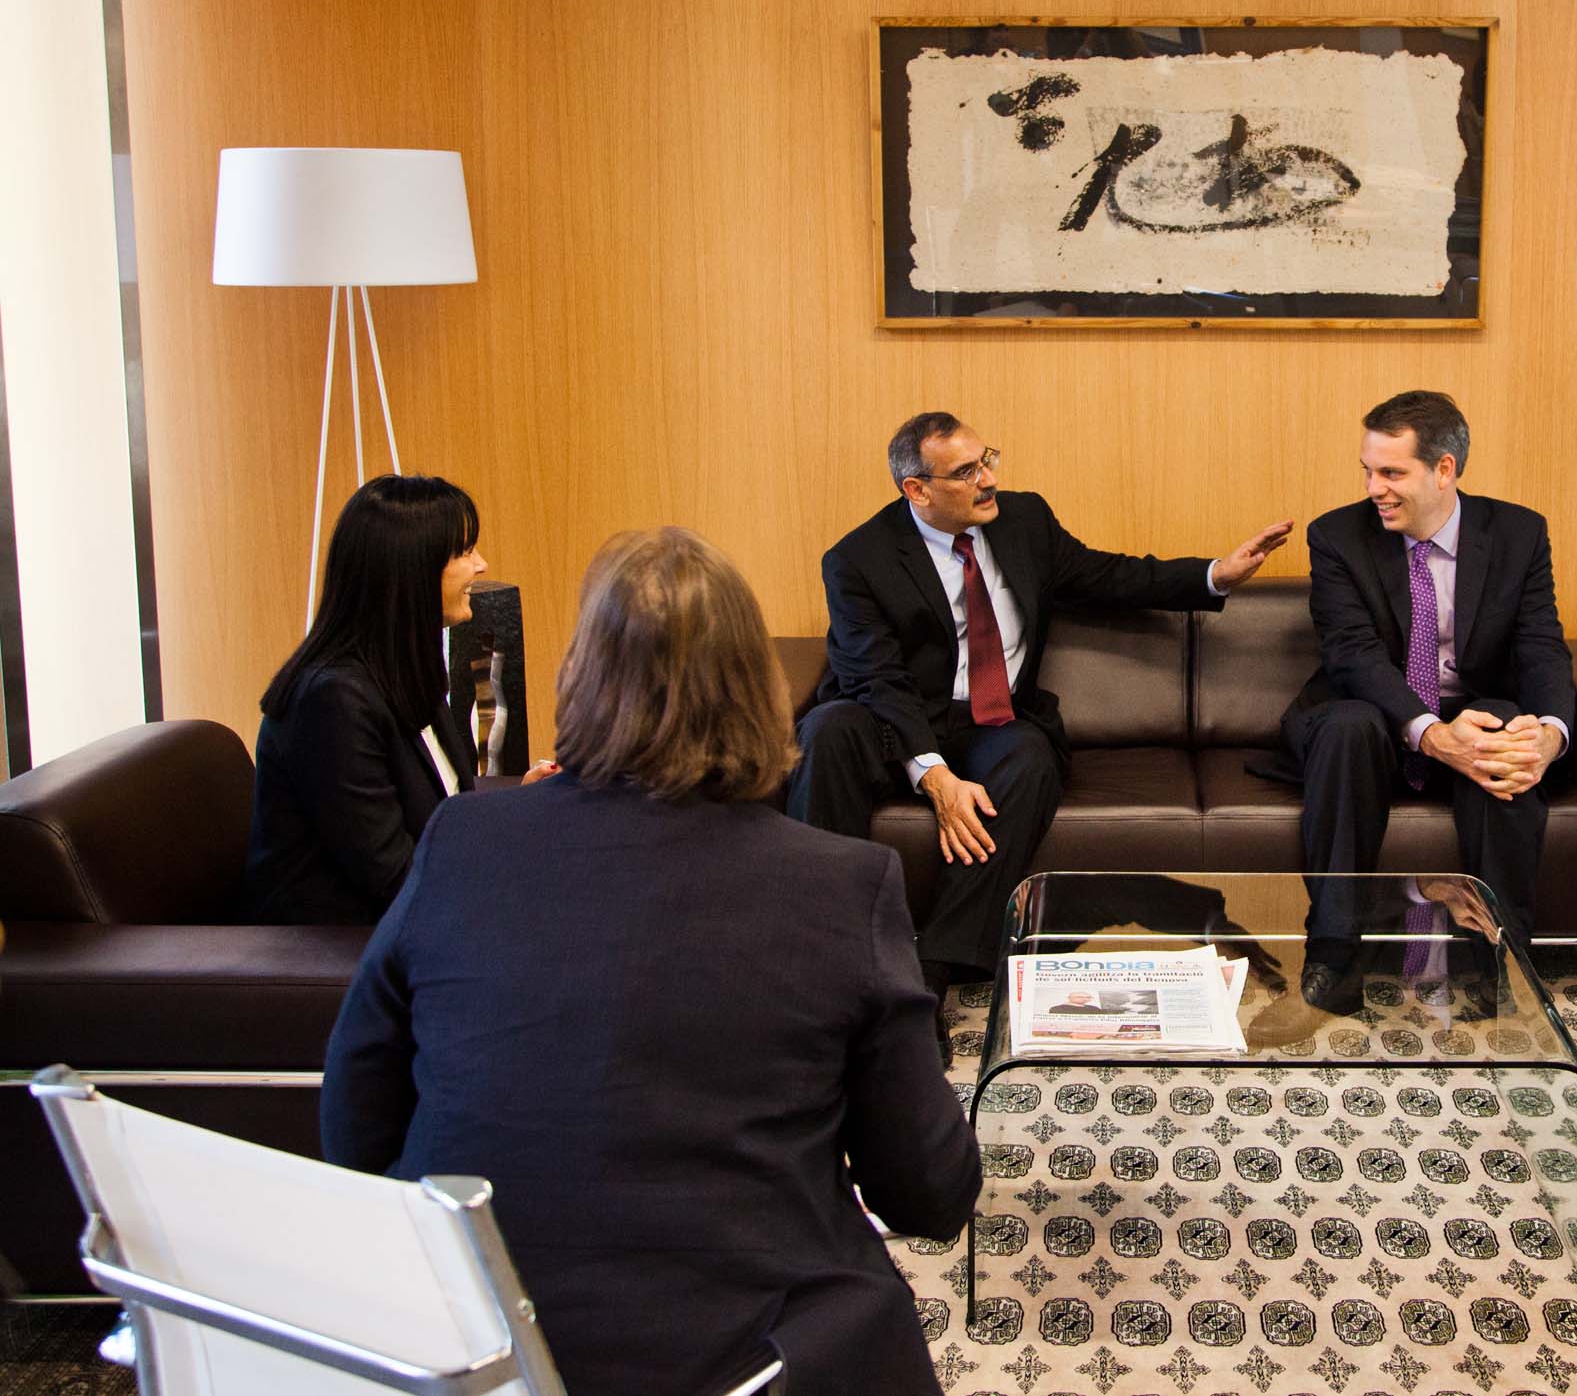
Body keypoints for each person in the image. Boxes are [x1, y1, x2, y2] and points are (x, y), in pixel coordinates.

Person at [322, 527, 978, 1396]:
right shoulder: (842, 887)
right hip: (746, 1365)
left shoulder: (461, 842)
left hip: (473, 1350)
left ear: (580, 677)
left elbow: (354, 1123)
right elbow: (929, 1191)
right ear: (758, 691)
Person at [787, 412, 1291, 1025]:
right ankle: (826, 956)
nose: (987, 479)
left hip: (994, 720)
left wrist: (1215, 574)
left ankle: (931, 973)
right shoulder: (857, 559)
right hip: (893, 716)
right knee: (827, 730)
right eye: (966, 472)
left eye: (987, 460)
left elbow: (1109, 575)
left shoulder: (1023, 520)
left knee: (1029, 758)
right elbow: (876, 678)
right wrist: (935, 777)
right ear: (917, 489)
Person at [1268, 391, 1574, 1017]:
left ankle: (1501, 952)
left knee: (1506, 730)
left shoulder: (1518, 534)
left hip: (1470, 710)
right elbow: (1352, 653)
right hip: (1371, 714)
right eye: (1367, 471)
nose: (1373, 489)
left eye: (1391, 472)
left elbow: (1542, 645)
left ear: (1443, 470)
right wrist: (1433, 734)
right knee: (1349, 726)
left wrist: (1548, 733)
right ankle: (1332, 954)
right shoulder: (1337, 536)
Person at [242, 475, 490, 924]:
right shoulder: (332, 701)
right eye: (464, 552)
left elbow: (446, 818)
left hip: (414, 920)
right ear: (410, 569)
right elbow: (392, 880)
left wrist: (521, 810)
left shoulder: (404, 670)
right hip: (340, 948)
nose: (481, 565)